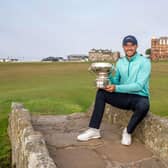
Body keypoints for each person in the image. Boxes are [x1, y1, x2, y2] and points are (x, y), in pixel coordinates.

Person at [77, 35, 151, 145]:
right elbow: (116, 80)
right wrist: (106, 76)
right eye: (126, 45)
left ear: (136, 46)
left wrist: (116, 88)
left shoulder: (144, 62)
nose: (129, 48)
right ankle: (94, 130)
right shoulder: (120, 62)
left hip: (139, 97)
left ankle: (127, 132)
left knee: (144, 105)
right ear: (123, 47)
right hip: (123, 96)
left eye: (132, 45)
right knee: (101, 93)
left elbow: (139, 85)